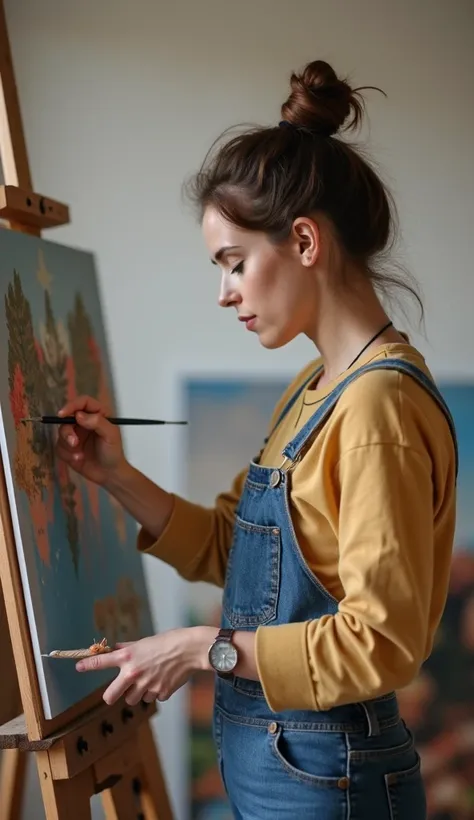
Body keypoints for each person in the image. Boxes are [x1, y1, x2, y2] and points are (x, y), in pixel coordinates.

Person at [56, 59, 457, 819]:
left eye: (236, 263)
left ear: (304, 240)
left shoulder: (376, 409)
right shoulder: (312, 391)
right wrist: (114, 475)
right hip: (287, 766)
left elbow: (383, 642)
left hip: (325, 777)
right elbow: (234, 553)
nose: (225, 293)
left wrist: (200, 649)